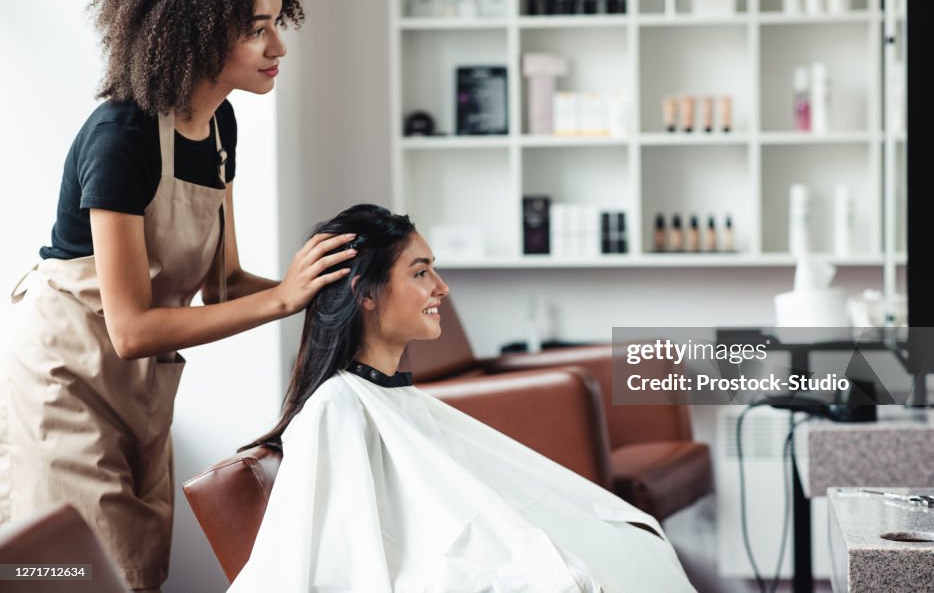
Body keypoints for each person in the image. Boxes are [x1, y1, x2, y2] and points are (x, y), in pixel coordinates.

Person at [0, 0, 356, 592]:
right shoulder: (122, 136)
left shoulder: (220, 126)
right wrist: (282, 298)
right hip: (65, 382)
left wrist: (317, 287)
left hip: (139, 392)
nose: (278, 46)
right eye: (257, 29)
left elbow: (222, 287)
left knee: (138, 564)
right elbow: (131, 328)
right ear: (196, 31)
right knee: (78, 574)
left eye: (279, 23)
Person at [230, 204, 696, 592]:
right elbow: (352, 561)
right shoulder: (337, 408)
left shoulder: (389, 395)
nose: (441, 287)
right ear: (365, 295)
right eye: (421, 272)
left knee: (630, 540)